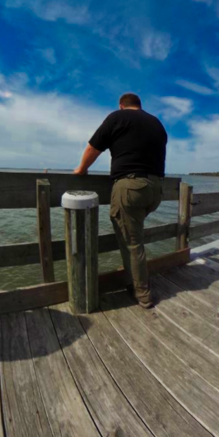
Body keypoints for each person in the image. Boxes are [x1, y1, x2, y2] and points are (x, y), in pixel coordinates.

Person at [74, 93, 168, 309]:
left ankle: (142, 294)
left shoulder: (118, 117)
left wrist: (82, 169)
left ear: (122, 105)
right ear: (140, 106)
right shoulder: (157, 123)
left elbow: (92, 148)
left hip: (130, 186)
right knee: (134, 237)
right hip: (155, 189)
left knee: (132, 243)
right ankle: (132, 280)